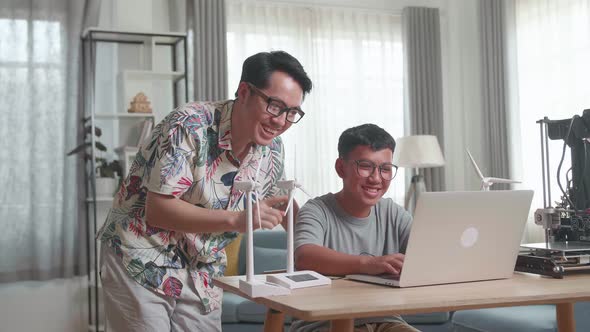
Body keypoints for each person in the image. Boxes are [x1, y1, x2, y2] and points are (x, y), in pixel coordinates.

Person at [98, 50, 312, 332]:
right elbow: (158, 209)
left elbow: (282, 202)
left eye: (291, 112)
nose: (281, 121)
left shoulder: (271, 149)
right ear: (245, 91)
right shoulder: (188, 125)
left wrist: (314, 249)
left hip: (202, 268)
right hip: (141, 254)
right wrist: (237, 220)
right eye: (275, 106)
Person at [291, 123, 419, 332]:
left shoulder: (393, 213)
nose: (376, 178)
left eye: (385, 169)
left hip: (386, 320)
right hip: (324, 323)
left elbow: (427, 252)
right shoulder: (316, 210)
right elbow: (305, 256)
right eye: (365, 166)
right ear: (341, 168)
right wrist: (368, 264)